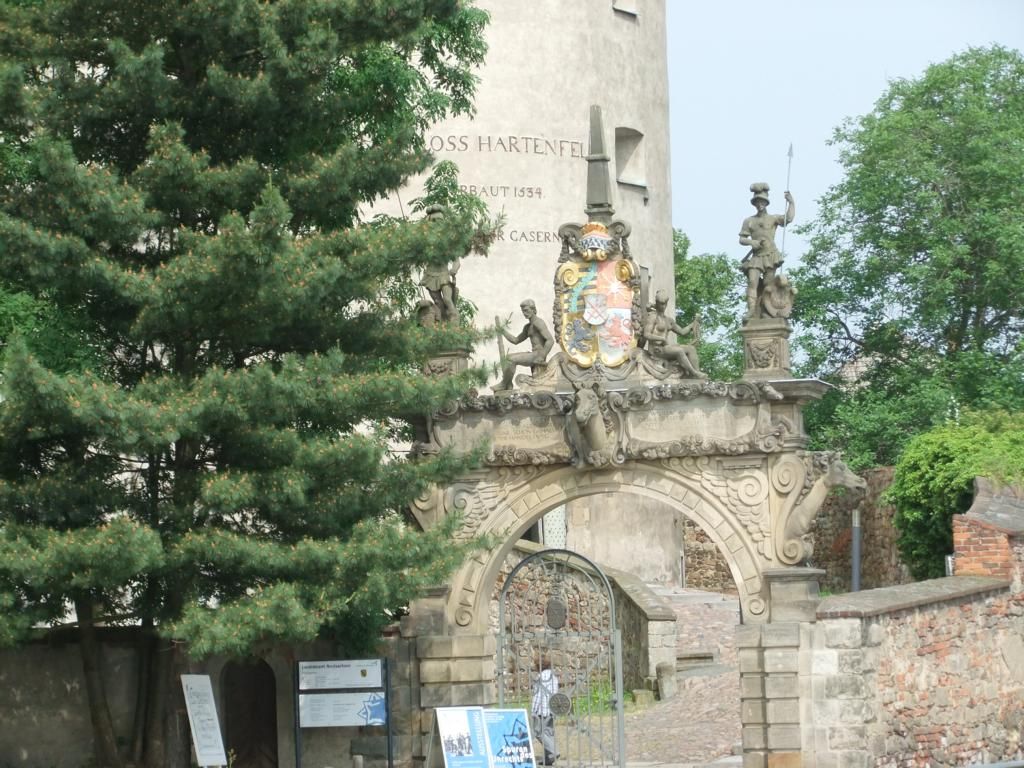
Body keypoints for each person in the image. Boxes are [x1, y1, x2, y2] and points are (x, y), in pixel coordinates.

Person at [738, 183, 795, 319]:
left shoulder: (773, 218)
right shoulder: (749, 221)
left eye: (762, 202)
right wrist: (752, 242)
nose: (760, 204)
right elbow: (742, 239)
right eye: (757, 202)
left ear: (766, 203)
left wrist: (791, 203)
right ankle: (751, 310)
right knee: (752, 282)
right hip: (756, 257)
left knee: (768, 285)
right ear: (754, 204)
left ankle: (767, 311)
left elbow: (788, 218)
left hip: (770, 255)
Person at [642, 290, 706, 378]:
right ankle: (694, 372)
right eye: (660, 304)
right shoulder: (653, 317)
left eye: (664, 304)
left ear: (666, 303)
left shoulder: (669, 320)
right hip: (656, 349)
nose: (663, 306)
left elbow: (682, 332)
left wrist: (693, 324)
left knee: (691, 349)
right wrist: (662, 339)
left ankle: (696, 374)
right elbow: (646, 334)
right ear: (657, 303)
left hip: (666, 348)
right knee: (679, 350)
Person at [419, 204, 461, 324]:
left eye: (440, 221)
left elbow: (456, 260)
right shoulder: (425, 241)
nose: (437, 224)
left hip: (443, 274)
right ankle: (442, 324)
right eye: (434, 221)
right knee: (438, 303)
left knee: (447, 299)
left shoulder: (448, 241)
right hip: (430, 275)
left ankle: (455, 323)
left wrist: (454, 269)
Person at [499, 299, 553, 390]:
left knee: (511, 359)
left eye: (526, 310)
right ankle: (508, 384)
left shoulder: (538, 322)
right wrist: (503, 331)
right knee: (508, 357)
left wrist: (542, 356)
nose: (524, 313)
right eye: (523, 311)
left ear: (533, 309)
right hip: (533, 354)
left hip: (538, 354)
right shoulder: (528, 327)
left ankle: (504, 384)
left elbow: (550, 340)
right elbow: (516, 340)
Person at [531, 658, 559, 766]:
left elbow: (537, 696)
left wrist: (533, 710)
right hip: (551, 709)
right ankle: (549, 759)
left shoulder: (541, 677)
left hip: (542, 710)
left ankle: (554, 751)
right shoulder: (553, 677)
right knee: (548, 733)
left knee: (538, 732)